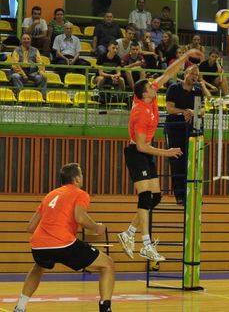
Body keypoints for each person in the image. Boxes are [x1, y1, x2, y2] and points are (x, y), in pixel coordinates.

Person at [117, 51, 193, 262]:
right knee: (144, 197)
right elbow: (142, 147)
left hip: (145, 153)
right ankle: (146, 244)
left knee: (155, 197)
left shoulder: (147, 96)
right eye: (150, 87)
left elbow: (168, 74)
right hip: (136, 153)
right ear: (144, 94)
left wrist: (185, 56)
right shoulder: (140, 112)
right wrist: (167, 152)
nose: (154, 87)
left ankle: (129, 233)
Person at [13, 163, 115, 312]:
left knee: (38, 267)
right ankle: (105, 309)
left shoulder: (50, 195)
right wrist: (96, 227)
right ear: (77, 178)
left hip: (39, 246)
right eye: (81, 174)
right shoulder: (80, 193)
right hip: (63, 244)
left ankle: (20, 308)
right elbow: (80, 217)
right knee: (108, 264)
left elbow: (30, 227)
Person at [164, 65, 211, 204]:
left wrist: (193, 112)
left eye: (197, 75)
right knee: (177, 161)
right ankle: (180, 195)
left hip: (192, 130)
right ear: (185, 74)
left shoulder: (198, 91)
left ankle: (192, 195)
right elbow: (169, 108)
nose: (194, 76)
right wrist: (184, 112)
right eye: (192, 73)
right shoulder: (174, 88)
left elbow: (203, 110)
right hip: (175, 129)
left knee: (192, 162)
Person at [10, 33, 47, 97]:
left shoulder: (35, 50)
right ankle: (20, 95)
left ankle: (41, 96)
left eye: (28, 39)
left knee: (42, 78)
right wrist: (23, 74)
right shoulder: (16, 50)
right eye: (24, 39)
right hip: (19, 71)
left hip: (32, 72)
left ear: (30, 40)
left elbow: (40, 62)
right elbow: (15, 64)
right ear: (21, 40)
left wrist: (41, 72)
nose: (26, 40)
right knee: (15, 76)